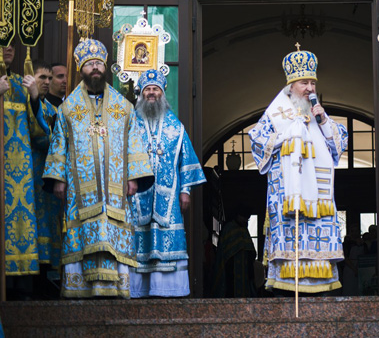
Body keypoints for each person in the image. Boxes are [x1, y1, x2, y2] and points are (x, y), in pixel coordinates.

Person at [43, 38, 154, 298]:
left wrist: (135, 177)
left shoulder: (123, 107)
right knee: (81, 231)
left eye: (98, 64)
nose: (95, 68)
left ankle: (115, 288)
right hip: (78, 190)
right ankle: (79, 289)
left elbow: (133, 143)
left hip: (115, 189)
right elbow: (59, 143)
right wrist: (58, 178)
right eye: (90, 64)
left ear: (105, 68)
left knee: (112, 230)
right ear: (81, 69)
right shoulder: (68, 108)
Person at [249, 44, 348, 293]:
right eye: (304, 83)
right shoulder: (276, 115)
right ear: (291, 86)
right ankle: (284, 285)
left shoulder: (318, 116)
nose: (310, 89)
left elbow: (339, 145)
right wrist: (288, 134)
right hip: (286, 194)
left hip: (319, 198)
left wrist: (323, 119)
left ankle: (321, 283)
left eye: (313, 83)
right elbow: (257, 140)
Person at [129, 68, 206, 298]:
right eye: (147, 89)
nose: (152, 93)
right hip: (137, 196)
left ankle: (166, 288)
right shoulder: (130, 124)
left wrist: (186, 191)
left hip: (169, 197)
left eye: (156, 89)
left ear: (163, 94)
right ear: (141, 94)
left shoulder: (176, 126)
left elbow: (186, 161)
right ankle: (137, 289)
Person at [0, 44, 49, 285]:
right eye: (2, 41)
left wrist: (34, 98)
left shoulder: (22, 83)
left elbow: (39, 133)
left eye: (11, 42)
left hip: (19, 176)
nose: (8, 48)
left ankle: (20, 286)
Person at [30, 60, 62, 270]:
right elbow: (41, 135)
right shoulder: (24, 102)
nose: (47, 82)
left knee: (49, 226)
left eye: (50, 78)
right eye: (42, 77)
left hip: (47, 174)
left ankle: (47, 277)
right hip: (29, 171)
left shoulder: (52, 108)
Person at [211, 206, 257, 298]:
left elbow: (250, 249)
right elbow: (224, 251)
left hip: (245, 268)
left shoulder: (244, 229)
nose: (245, 220)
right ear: (238, 215)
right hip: (231, 268)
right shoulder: (229, 228)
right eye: (243, 217)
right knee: (231, 291)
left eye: (247, 219)